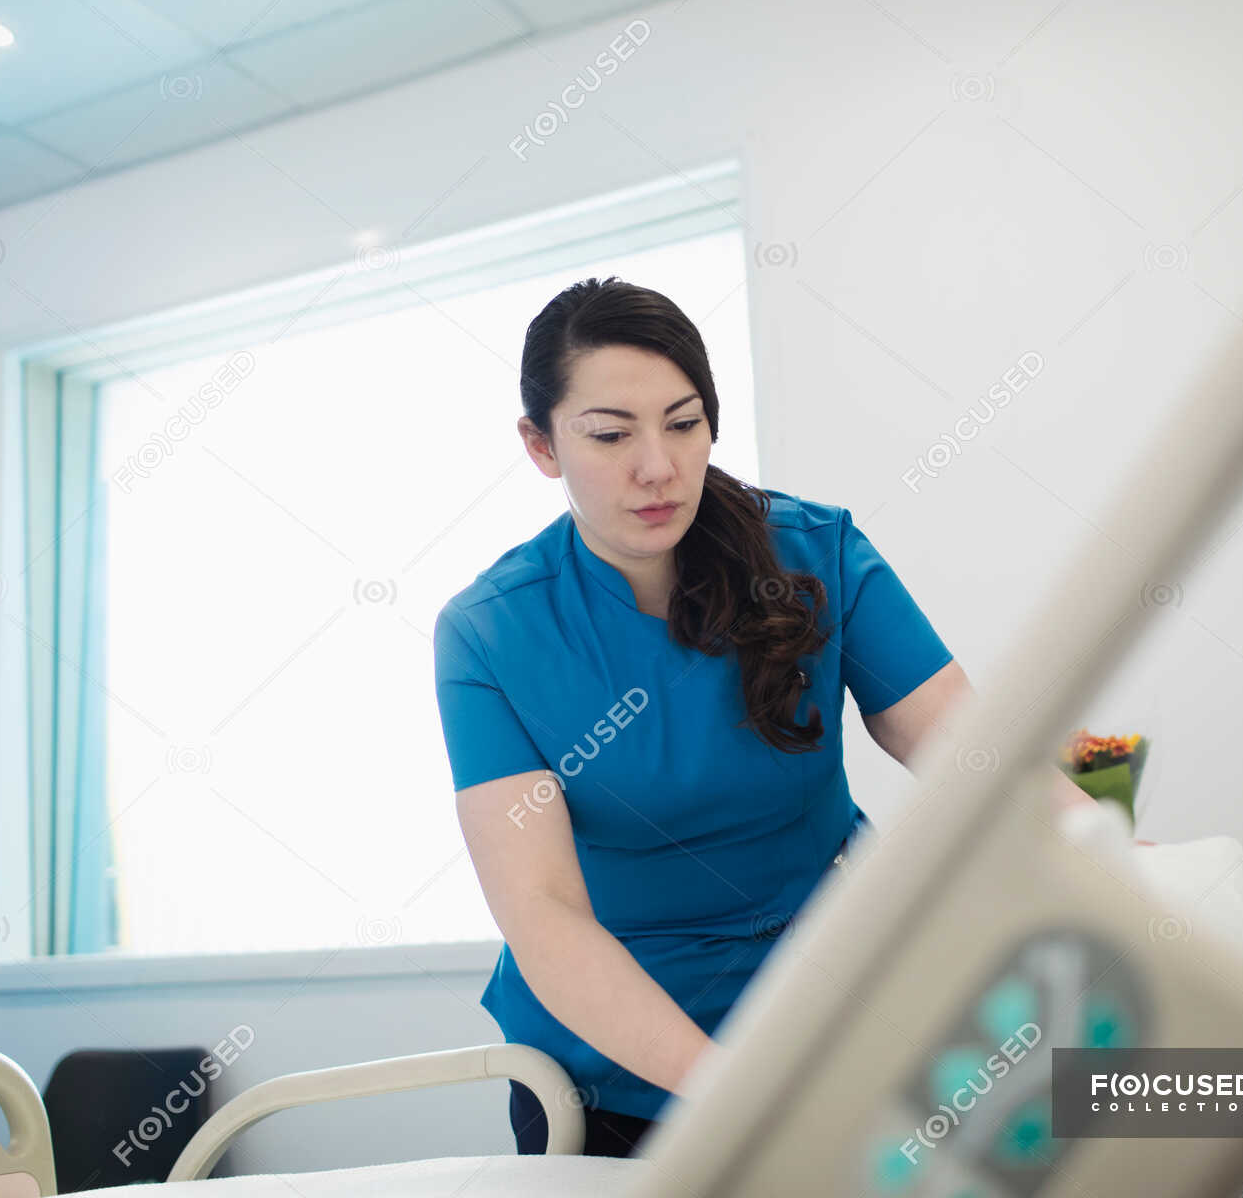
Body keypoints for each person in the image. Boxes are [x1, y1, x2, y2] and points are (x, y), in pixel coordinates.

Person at [432, 276, 1094, 1158]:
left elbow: (958, 740)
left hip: (834, 1004)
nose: (658, 466)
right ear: (541, 445)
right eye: (610, 434)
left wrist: (1104, 850)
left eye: (683, 421)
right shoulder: (491, 633)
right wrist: (730, 1086)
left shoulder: (814, 552)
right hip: (618, 1071)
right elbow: (545, 912)